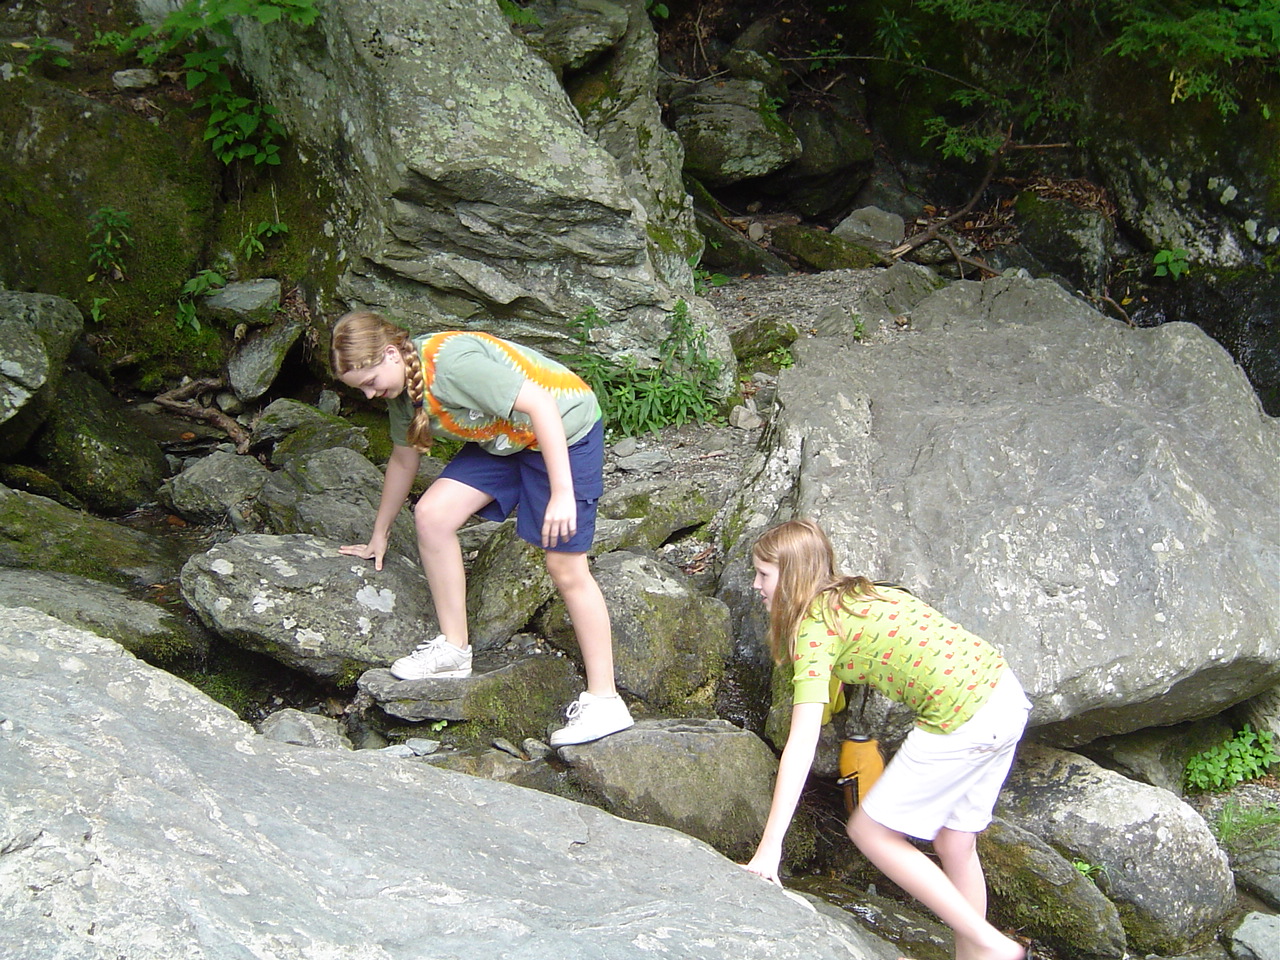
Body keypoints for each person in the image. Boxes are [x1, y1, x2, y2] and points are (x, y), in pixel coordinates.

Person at [329, 310, 634, 747]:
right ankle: (454, 650)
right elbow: (403, 459)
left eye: (371, 380)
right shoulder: (402, 389)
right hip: (505, 437)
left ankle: (605, 700)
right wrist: (380, 532)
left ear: (392, 353)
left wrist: (563, 492)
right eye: (361, 388)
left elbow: (543, 405)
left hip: (563, 433)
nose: (371, 393)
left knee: (565, 568)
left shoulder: (451, 367)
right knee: (433, 516)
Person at [743, 518, 1031, 960]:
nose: (755, 585)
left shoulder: (816, 630)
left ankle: (994, 945)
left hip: (960, 715)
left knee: (871, 832)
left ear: (795, 576)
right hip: (1004, 694)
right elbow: (831, 693)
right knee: (956, 841)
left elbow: (801, 744)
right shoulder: (860, 593)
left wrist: (769, 849)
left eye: (764, 574)